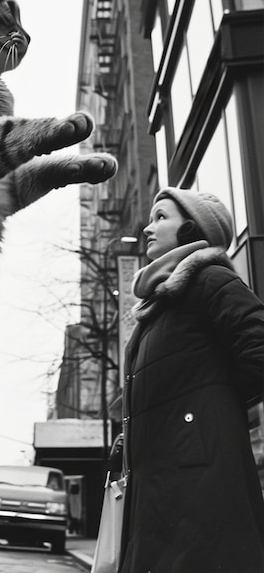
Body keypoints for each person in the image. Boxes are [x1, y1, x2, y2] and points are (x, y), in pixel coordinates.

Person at [119, 187, 264, 573]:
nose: (149, 228)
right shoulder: (161, 306)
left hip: (199, 483)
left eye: (161, 217)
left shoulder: (208, 279)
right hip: (161, 483)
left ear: (190, 231)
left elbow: (259, 349)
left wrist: (203, 415)